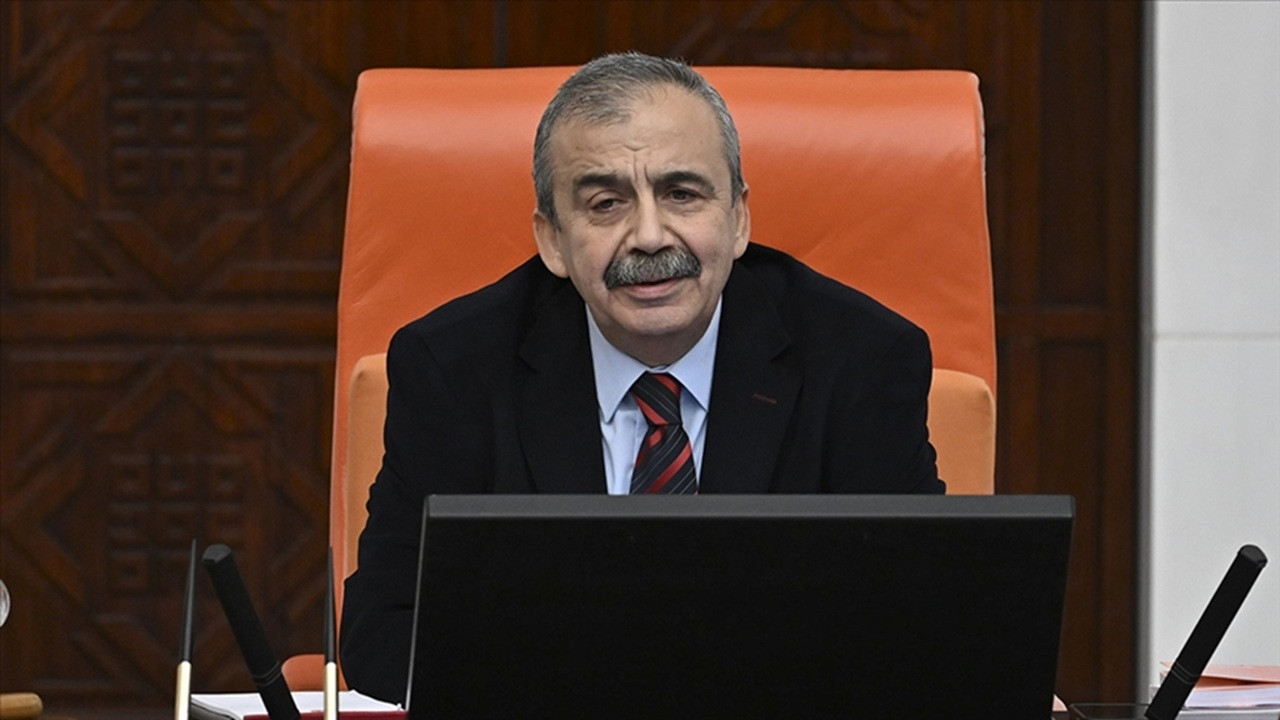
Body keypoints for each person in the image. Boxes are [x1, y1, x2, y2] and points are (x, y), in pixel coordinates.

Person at [339, 51, 943, 703]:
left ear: (739, 218)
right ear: (552, 240)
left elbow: (920, 622)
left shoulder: (862, 360)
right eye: (606, 204)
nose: (650, 237)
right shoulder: (453, 367)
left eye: (682, 194)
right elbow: (385, 633)